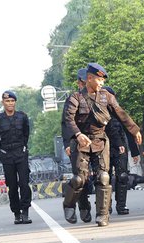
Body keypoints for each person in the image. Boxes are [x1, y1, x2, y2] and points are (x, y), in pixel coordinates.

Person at [63, 63, 141, 227]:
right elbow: (68, 120)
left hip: (100, 141)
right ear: (89, 79)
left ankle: (102, 214)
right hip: (81, 142)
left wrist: (134, 130)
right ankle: (69, 204)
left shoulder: (107, 97)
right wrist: (77, 134)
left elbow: (121, 114)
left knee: (103, 177)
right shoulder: (75, 98)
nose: (101, 83)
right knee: (79, 180)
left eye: (102, 81)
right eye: (99, 80)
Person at [0, 91, 32, 224]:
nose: (10, 103)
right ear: (3, 102)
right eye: (7, 101)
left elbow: (26, 133)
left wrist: (23, 148)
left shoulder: (22, 116)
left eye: (12, 101)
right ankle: (16, 213)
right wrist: (1, 155)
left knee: (24, 183)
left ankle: (25, 211)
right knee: (12, 186)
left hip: (20, 153)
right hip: (7, 156)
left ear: (15, 102)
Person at [61, 68, 93, 223]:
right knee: (80, 178)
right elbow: (65, 123)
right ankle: (79, 206)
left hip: (96, 142)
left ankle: (90, 207)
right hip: (77, 142)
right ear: (79, 82)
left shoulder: (98, 96)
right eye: (83, 81)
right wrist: (68, 143)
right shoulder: (72, 99)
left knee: (95, 177)